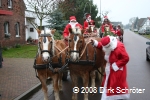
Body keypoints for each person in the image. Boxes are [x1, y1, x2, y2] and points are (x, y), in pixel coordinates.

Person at [91, 36, 130, 100]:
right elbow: (103, 46)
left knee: (115, 84)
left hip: (117, 70)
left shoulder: (119, 47)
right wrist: (95, 43)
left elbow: (126, 58)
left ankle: (117, 97)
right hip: (110, 68)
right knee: (109, 84)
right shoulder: (108, 45)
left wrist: (115, 65)